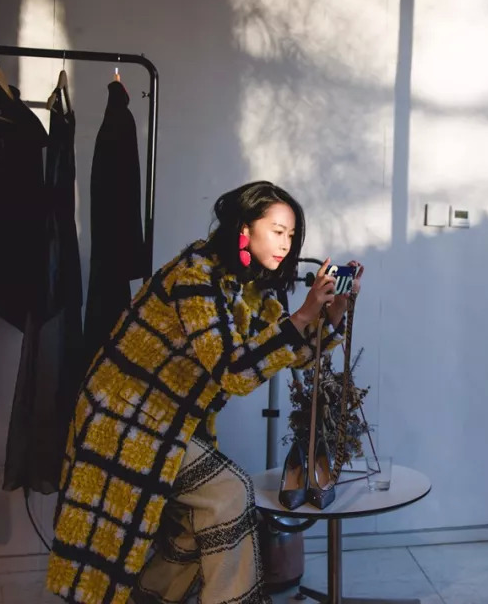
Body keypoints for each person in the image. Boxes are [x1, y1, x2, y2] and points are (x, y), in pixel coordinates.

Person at [45, 181, 363, 604]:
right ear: (244, 229)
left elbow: (290, 354)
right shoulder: (196, 275)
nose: (286, 244)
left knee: (198, 524)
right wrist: (303, 314)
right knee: (229, 493)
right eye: (276, 231)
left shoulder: (254, 285)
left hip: (171, 422)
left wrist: (331, 316)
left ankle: (150, 598)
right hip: (124, 419)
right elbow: (232, 370)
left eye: (291, 234)